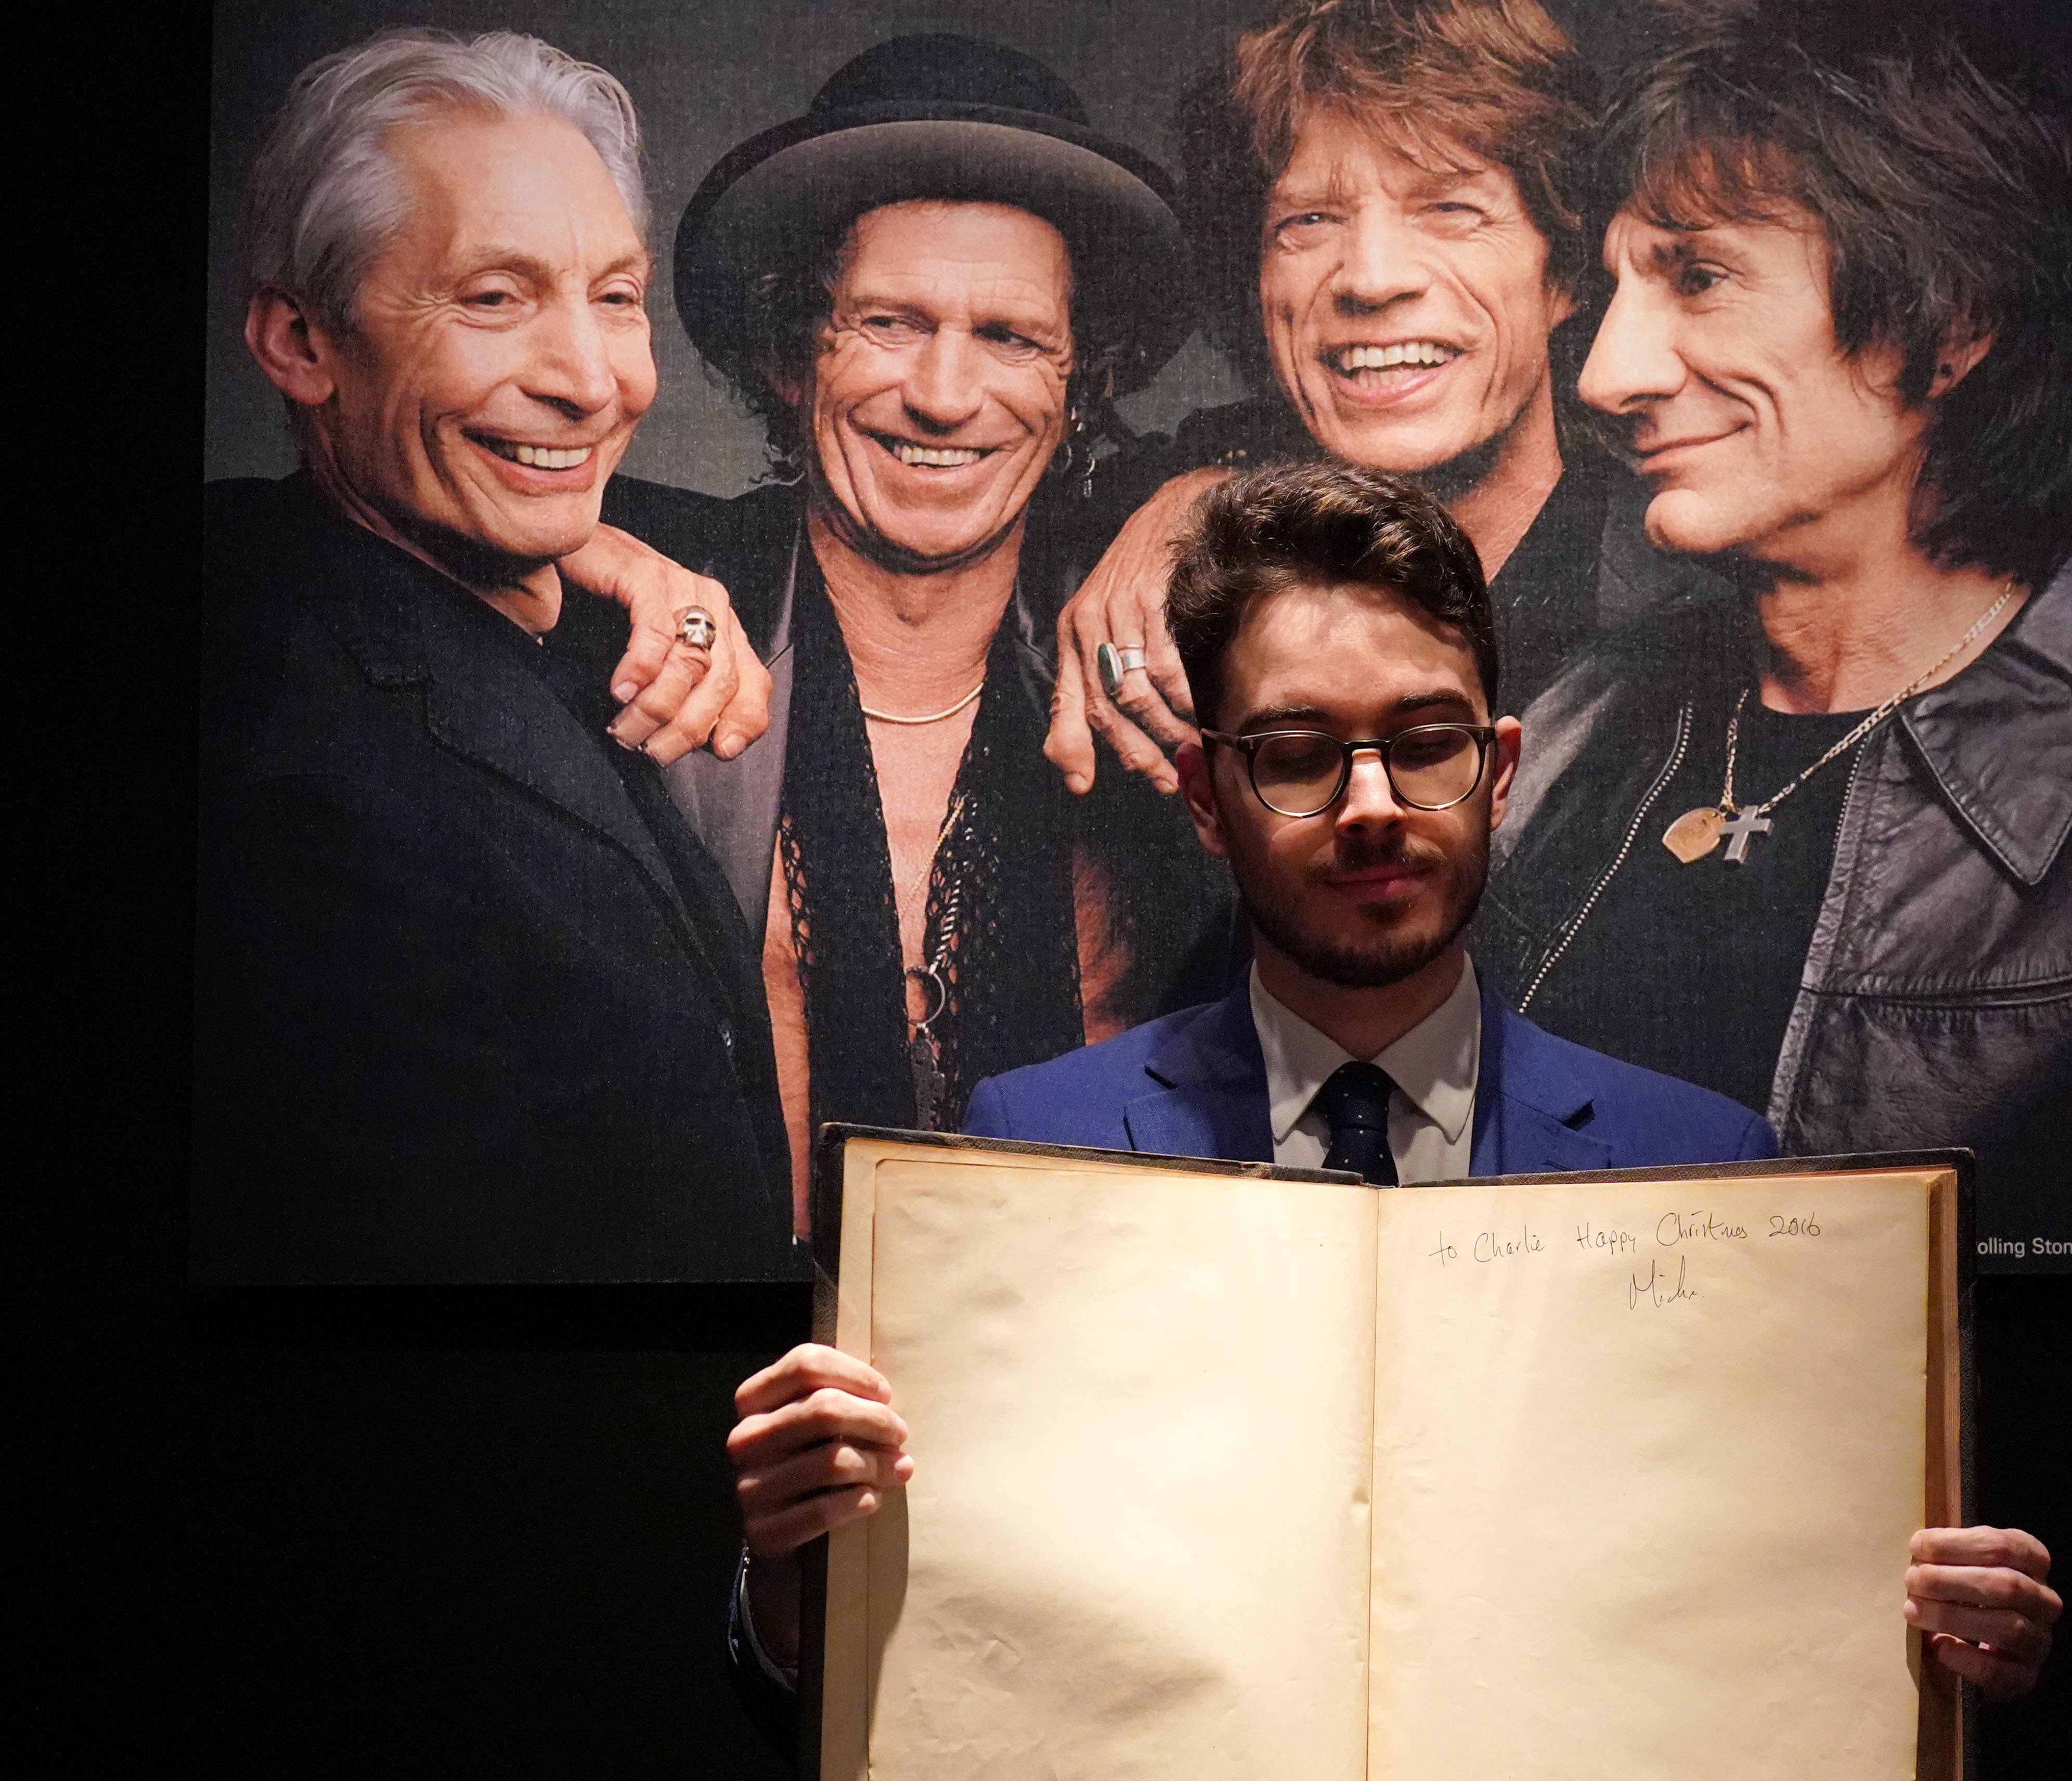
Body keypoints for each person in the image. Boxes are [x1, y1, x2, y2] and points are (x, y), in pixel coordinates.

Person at [726, 460, 2062, 1741]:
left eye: (1423, 744)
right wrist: (800, 1583)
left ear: (1500, 766)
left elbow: (1756, 1643)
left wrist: (1927, 1653)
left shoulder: (1707, 1166)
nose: (1371, 807)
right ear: (1204, 795)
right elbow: (964, 1660)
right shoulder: (1031, 1148)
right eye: (1298, 754)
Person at [1478, 10, 2072, 1259]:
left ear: (1949, 318)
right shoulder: (1572, 718)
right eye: (1618, 286)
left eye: (1699, 276)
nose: (1606, 373)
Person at [591, 35, 1241, 1230]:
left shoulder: (1151, 638)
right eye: (889, 322)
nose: (944, 395)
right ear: (795, 355)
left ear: (1079, 379)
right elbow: (350, 520)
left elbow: (1372, 483)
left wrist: (1205, 489)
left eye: (1010, 337)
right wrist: (588, 547)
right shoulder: (643, 599)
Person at [198, 29, 795, 1280]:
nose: (592, 380)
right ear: (301, 343)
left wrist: (609, 556)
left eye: (615, 297)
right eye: (493, 297)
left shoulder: (551, 605)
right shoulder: (283, 752)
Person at [1041, 0, 1714, 797]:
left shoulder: (1699, 616)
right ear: (1254, 287)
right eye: (1310, 219)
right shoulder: (1144, 549)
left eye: (1450, 209)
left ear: (1563, 271)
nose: (1370, 277)